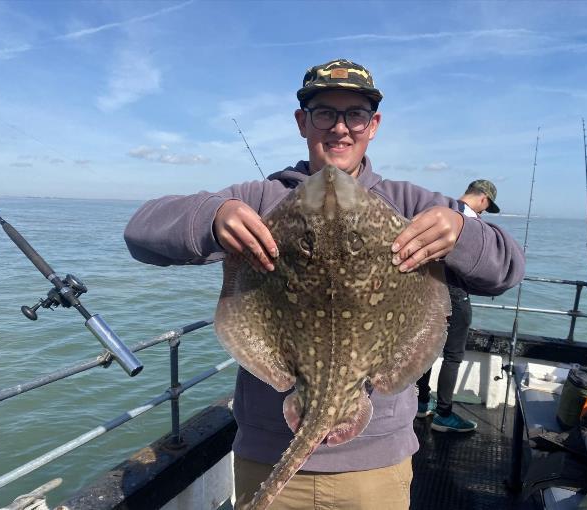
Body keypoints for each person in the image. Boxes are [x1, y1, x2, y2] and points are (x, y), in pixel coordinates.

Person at [124, 59, 524, 510]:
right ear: (302, 122)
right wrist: (212, 218)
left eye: (354, 114)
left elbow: (507, 268)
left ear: (373, 125)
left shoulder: (413, 204)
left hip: (376, 468)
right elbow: (141, 232)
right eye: (324, 113)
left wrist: (461, 231)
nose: (340, 128)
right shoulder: (260, 200)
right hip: (268, 457)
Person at [415, 179, 501, 433]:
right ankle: (444, 412)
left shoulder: (443, 213)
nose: (484, 212)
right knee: (453, 356)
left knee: (428, 349)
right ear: (483, 199)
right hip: (455, 295)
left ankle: (421, 402)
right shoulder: (470, 222)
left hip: (430, 293)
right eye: (486, 207)